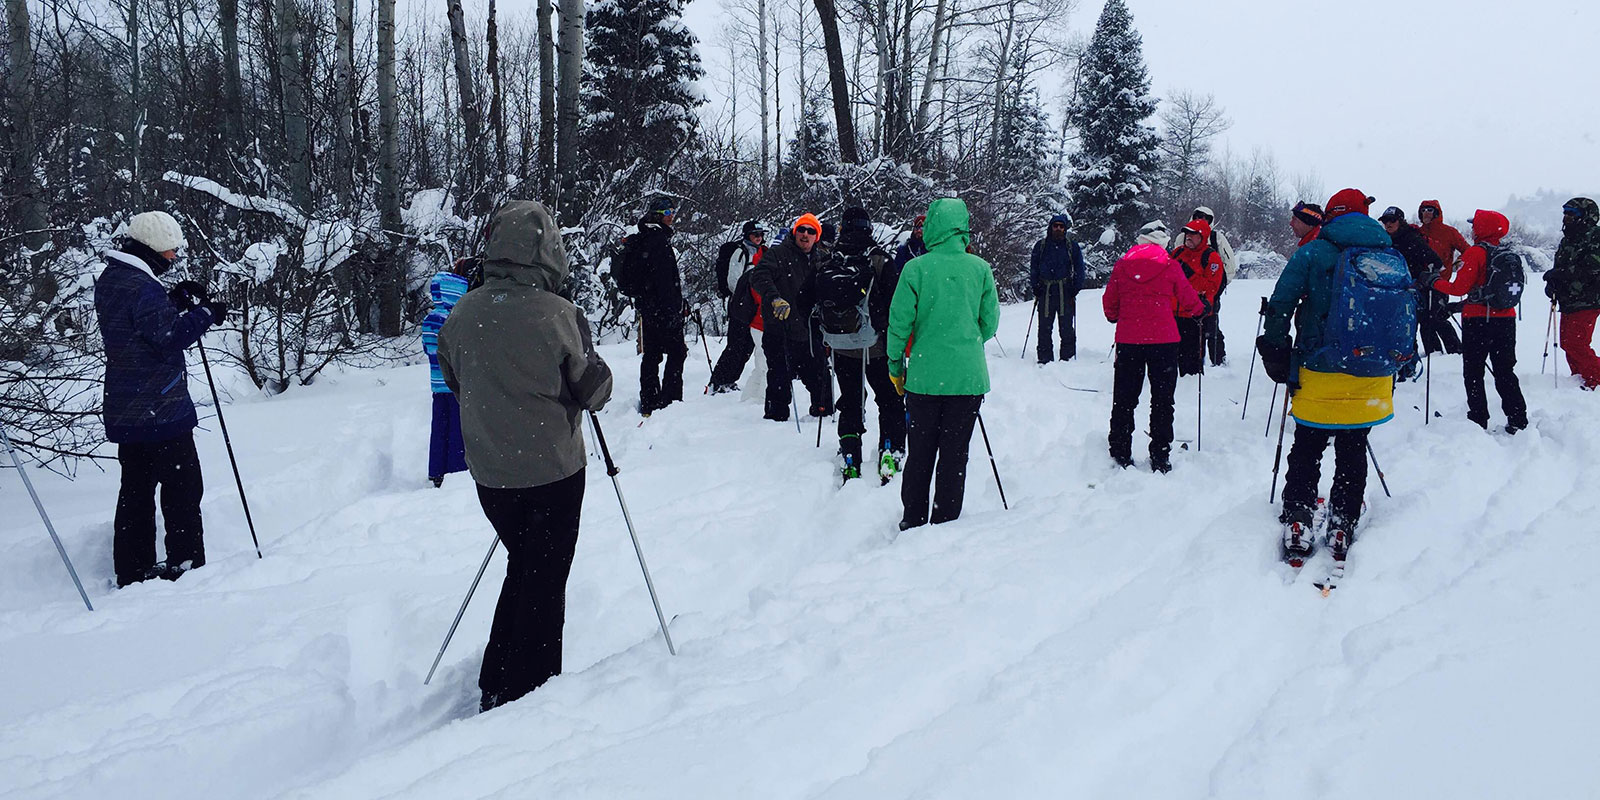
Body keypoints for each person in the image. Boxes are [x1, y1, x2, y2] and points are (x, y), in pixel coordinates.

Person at [436, 200, 614, 713]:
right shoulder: (559, 314)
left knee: (528, 563)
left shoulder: (465, 312)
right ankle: (525, 696)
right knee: (545, 572)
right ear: (548, 252)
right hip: (552, 471)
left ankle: (498, 674)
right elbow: (594, 389)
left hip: (492, 475)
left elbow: (455, 378)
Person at [1257, 188, 1414, 569]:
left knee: (1308, 447)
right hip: (1372, 374)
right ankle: (1342, 523)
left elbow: (1280, 305)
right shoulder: (1390, 255)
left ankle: (1298, 518)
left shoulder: (1313, 252)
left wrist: (1276, 350)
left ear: (1331, 215)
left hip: (1319, 369)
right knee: (1352, 448)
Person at [95, 211, 226, 587]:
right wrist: (205, 313)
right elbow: (168, 336)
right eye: (169, 252)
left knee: (135, 490)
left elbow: (142, 324)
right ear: (151, 249)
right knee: (182, 488)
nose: (173, 259)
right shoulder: (141, 287)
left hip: (127, 407)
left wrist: (174, 298)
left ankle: (132, 571)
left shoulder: (114, 278)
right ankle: (185, 563)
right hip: (160, 410)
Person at [887, 198, 1000, 530]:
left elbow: (899, 324)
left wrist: (896, 365)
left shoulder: (916, 268)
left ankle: (914, 518)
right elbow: (990, 323)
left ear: (933, 227)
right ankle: (946, 521)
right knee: (954, 454)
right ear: (962, 228)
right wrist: (965, 338)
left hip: (924, 377)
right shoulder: (979, 268)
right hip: (967, 379)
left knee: (920, 452)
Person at [1103, 221, 1205, 472]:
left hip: (1129, 341)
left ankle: (1120, 450)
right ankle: (1160, 455)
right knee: (1162, 400)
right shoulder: (1170, 265)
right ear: (1163, 243)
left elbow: (1109, 303)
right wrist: (1201, 309)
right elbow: (1188, 298)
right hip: (1164, 341)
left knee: (1124, 399)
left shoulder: (1122, 265)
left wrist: (1116, 315)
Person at [818, 207, 906, 481]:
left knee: (852, 401)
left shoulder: (829, 261)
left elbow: (804, 299)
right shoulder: (880, 259)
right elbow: (897, 305)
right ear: (868, 227)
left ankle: (849, 454)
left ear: (843, 228)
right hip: (877, 346)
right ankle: (890, 451)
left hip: (841, 346)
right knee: (890, 400)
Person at [1433, 210, 1529, 433]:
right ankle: (1518, 418)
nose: (1472, 229)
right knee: (1505, 371)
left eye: (1475, 225)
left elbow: (1458, 288)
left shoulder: (1475, 253)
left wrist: (1434, 281)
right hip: (1506, 320)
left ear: (1481, 228)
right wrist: (1458, 306)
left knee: (1474, 371)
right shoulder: (1507, 253)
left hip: (1477, 322)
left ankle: (1478, 417)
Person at [749, 213, 835, 421]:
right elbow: (758, 276)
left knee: (821, 379)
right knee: (779, 379)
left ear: (817, 236)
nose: (805, 234)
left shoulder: (822, 259)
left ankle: (822, 416)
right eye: (801, 230)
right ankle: (774, 424)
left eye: (811, 231)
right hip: (780, 329)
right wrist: (774, 298)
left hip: (810, 332)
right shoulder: (778, 253)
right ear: (795, 232)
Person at [624, 202, 686, 414]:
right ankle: (670, 402)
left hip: (649, 307)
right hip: (662, 308)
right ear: (658, 216)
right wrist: (673, 308)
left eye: (672, 212)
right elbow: (664, 280)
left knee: (652, 354)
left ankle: (650, 400)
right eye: (667, 213)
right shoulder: (658, 241)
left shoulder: (645, 237)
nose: (671, 216)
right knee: (677, 353)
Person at [1378, 206, 1457, 356]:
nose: (1388, 224)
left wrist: (1427, 278)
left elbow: (1435, 261)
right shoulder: (1384, 240)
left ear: (1400, 221)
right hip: (1396, 289)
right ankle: (1410, 356)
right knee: (1404, 324)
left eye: (1392, 220)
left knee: (1429, 321)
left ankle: (1447, 353)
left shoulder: (1412, 238)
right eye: (1385, 221)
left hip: (1418, 289)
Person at [421, 263, 471, 486]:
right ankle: (456, 470)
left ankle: (436, 469)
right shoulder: (454, 320)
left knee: (440, 428)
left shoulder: (430, 319)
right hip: (455, 384)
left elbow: (429, 348)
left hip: (437, 384)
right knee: (457, 430)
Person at [1546, 198, 1600, 389]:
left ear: (1585, 216)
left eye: (1572, 214)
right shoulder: (1568, 238)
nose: (1567, 217)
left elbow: (1592, 267)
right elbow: (1560, 265)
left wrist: (1561, 274)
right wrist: (1553, 283)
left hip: (1588, 299)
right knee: (1567, 343)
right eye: (1565, 213)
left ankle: (1596, 379)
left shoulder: (1595, 236)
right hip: (1569, 299)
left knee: (1576, 343)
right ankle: (1579, 378)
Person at [708, 220, 767, 394]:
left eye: (761, 234)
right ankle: (719, 380)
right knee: (736, 344)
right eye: (755, 234)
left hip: (756, 307)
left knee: (747, 346)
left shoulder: (763, 252)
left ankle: (730, 379)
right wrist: (743, 299)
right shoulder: (740, 252)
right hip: (741, 306)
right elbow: (733, 280)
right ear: (747, 235)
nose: (758, 238)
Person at [1028, 213, 1087, 363]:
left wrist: (1076, 287)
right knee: (1044, 327)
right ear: (1051, 227)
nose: (1058, 229)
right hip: (1045, 291)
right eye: (1056, 226)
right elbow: (1033, 267)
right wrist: (1035, 286)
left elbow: (1080, 268)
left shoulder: (1071, 246)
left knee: (1066, 327)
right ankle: (1044, 359)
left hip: (1065, 291)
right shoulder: (1040, 246)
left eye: (1061, 226)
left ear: (1065, 228)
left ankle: (1067, 358)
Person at [1172, 218, 1226, 376]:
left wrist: (1189, 275)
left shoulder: (1211, 257)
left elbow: (1211, 287)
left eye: (1193, 234)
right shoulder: (1177, 253)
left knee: (1191, 363)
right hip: (1172, 314)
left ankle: (1189, 389)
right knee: (1171, 358)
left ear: (1203, 236)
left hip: (1194, 317)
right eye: (1187, 233)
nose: (1188, 236)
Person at [1190, 206, 1236, 365]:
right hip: (1188, 293)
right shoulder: (1183, 237)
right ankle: (1194, 360)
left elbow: (1229, 264)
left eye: (1206, 218)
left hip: (1212, 291)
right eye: (1198, 216)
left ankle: (1218, 360)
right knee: (1189, 327)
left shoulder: (1217, 238)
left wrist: (1219, 287)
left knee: (1212, 325)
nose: (1202, 220)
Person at [1417, 200, 1472, 271]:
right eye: (1423, 210)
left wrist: (1459, 262)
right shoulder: (1417, 232)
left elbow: (1468, 250)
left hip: (1442, 279)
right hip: (1418, 279)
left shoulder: (1450, 232)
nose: (1426, 213)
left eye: (1430, 210)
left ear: (1436, 213)